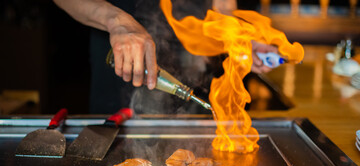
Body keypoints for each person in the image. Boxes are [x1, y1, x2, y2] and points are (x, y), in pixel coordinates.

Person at [53, 0, 277, 114]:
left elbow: (224, 7)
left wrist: (239, 37)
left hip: (197, 77)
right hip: (122, 60)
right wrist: (117, 21)